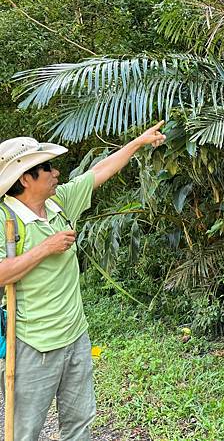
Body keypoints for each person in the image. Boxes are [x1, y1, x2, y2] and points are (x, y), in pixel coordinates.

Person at [0, 121, 166, 440]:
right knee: (25, 431)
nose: (56, 172)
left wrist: (138, 142)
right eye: (46, 167)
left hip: (76, 338)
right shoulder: (5, 220)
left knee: (79, 424)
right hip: (32, 346)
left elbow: (101, 171)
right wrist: (45, 249)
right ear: (24, 178)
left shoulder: (59, 202)